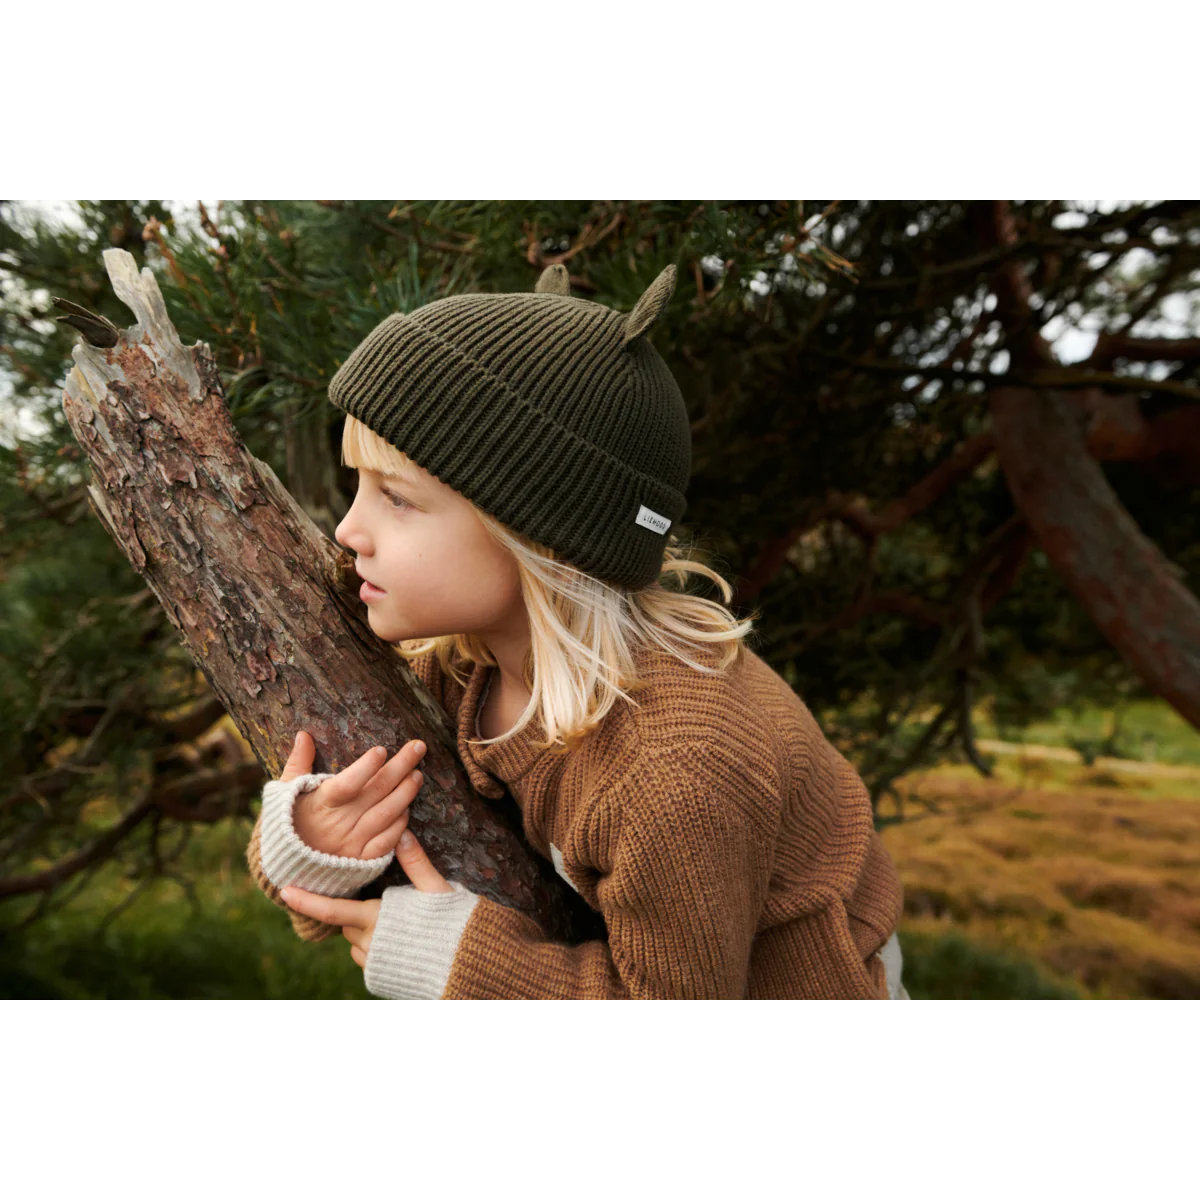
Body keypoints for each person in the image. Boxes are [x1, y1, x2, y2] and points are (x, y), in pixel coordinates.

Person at [245, 262, 911, 1000]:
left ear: (542, 537)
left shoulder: (674, 770)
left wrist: (467, 973)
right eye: (356, 487)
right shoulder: (462, 661)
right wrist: (313, 845)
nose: (346, 530)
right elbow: (362, 875)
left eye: (396, 499)